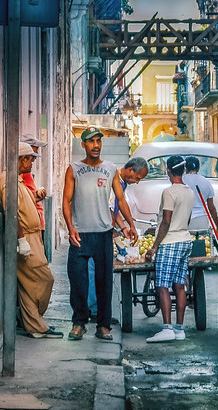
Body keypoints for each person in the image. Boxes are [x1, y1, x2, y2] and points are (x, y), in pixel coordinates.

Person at [62, 126, 138, 341]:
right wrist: (70, 228)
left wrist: (130, 224)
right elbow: (66, 201)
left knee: (104, 282)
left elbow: (120, 199)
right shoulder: (73, 169)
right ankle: (79, 323)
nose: (96, 145)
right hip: (80, 235)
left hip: (104, 233)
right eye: (91, 141)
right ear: (83, 144)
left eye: (98, 141)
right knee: (78, 281)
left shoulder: (111, 168)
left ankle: (103, 326)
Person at [0, 142, 63, 339]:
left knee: (26, 287)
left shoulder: (18, 180)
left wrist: (35, 196)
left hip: (33, 236)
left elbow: (22, 203)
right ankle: (34, 321)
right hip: (25, 237)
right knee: (44, 278)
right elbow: (12, 213)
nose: (32, 163)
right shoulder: (8, 181)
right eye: (30, 159)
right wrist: (21, 240)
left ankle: (35, 326)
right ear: (21, 159)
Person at [87, 157, 148, 321]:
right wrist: (116, 228)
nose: (137, 182)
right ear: (130, 170)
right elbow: (107, 206)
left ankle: (96, 309)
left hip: (105, 228)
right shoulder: (112, 177)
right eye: (137, 178)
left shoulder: (123, 183)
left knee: (100, 270)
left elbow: (115, 208)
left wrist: (124, 227)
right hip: (96, 229)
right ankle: (92, 310)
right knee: (94, 270)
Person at [144, 156, 195, 343]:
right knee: (180, 285)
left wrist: (154, 246)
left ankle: (167, 328)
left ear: (168, 171)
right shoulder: (189, 192)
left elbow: (166, 221)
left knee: (162, 285)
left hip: (170, 242)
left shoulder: (169, 192)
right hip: (184, 240)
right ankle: (180, 329)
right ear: (183, 170)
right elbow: (186, 219)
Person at [19, 134, 48, 241]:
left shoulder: (26, 172)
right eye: (33, 154)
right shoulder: (22, 173)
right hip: (30, 227)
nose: (35, 157)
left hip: (36, 222)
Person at [182, 156, 218, 231]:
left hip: (184, 219)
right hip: (201, 219)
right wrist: (217, 226)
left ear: (185, 167)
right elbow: (211, 207)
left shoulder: (181, 180)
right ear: (198, 168)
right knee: (203, 241)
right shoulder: (206, 182)